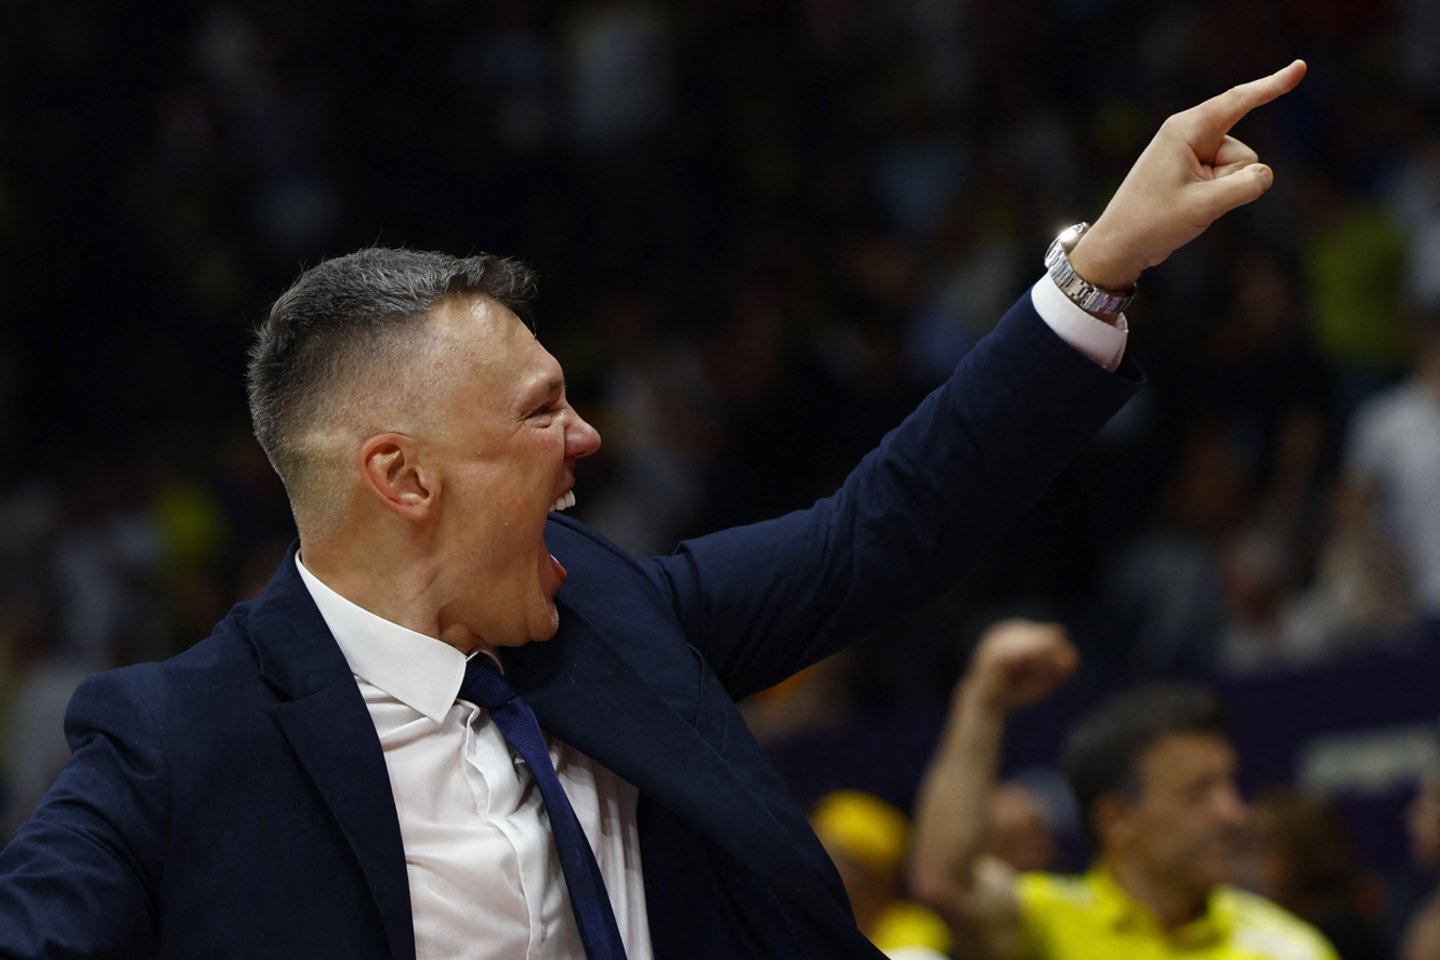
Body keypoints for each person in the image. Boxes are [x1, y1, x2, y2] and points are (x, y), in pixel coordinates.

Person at [0, 62, 1307, 958]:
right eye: (540, 412)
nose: (588, 439)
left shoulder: (613, 613)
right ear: (402, 477)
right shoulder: (179, 743)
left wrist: (1099, 270)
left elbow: (879, 531)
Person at [909, 620, 1338, 960]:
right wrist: (983, 700)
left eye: (1229, 785)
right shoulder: (1046, 920)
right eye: (1198, 793)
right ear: (1117, 819)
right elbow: (945, 882)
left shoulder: (1289, 950)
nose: (1234, 813)